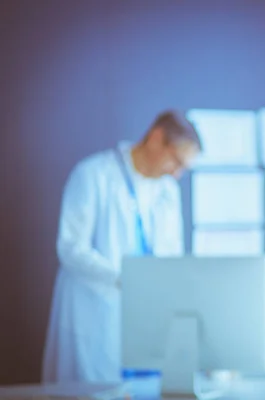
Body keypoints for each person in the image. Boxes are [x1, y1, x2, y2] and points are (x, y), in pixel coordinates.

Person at [42, 110, 202, 383]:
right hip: (97, 310)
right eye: (175, 161)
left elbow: (171, 253)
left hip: (145, 315)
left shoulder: (167, 191)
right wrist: (122, 278)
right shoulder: (93, 174)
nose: (176, 174)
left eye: (183, 168)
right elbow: (70, 248)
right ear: (156, 138)